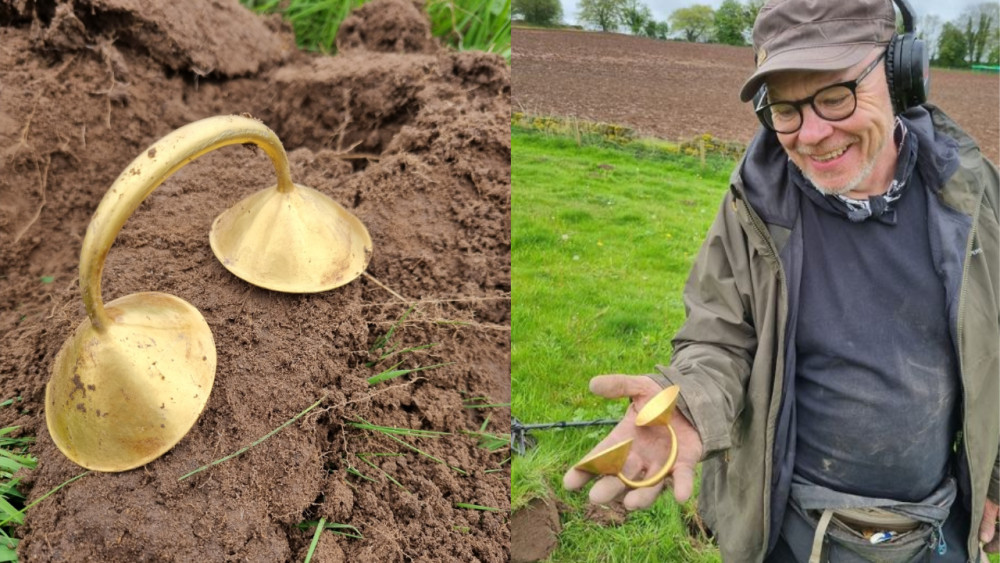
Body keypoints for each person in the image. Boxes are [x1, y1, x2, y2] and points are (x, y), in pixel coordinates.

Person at [563, 0, 1000, 561]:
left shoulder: (973, 195)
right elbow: (720, 334)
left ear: (900, 74)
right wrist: (688, 405)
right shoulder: (757, 205)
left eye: (836, 94)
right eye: (786, 108)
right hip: (789, 527)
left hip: (936, 526)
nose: (812, 134)